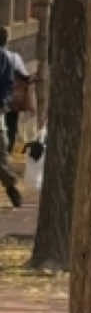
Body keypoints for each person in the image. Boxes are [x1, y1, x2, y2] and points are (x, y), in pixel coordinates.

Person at [0, 33, 22, 206]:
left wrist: (3, 103)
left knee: (2, 152)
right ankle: (10, 183)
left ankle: (10, 184)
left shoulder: (3, 58)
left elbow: (8, 84)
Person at [0, 27, 29, 154]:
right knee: (10, 128)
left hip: (4, 99)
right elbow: (25, 76)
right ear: (7, 40)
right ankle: (8, 152)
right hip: (11, 100)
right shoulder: (14, 57)